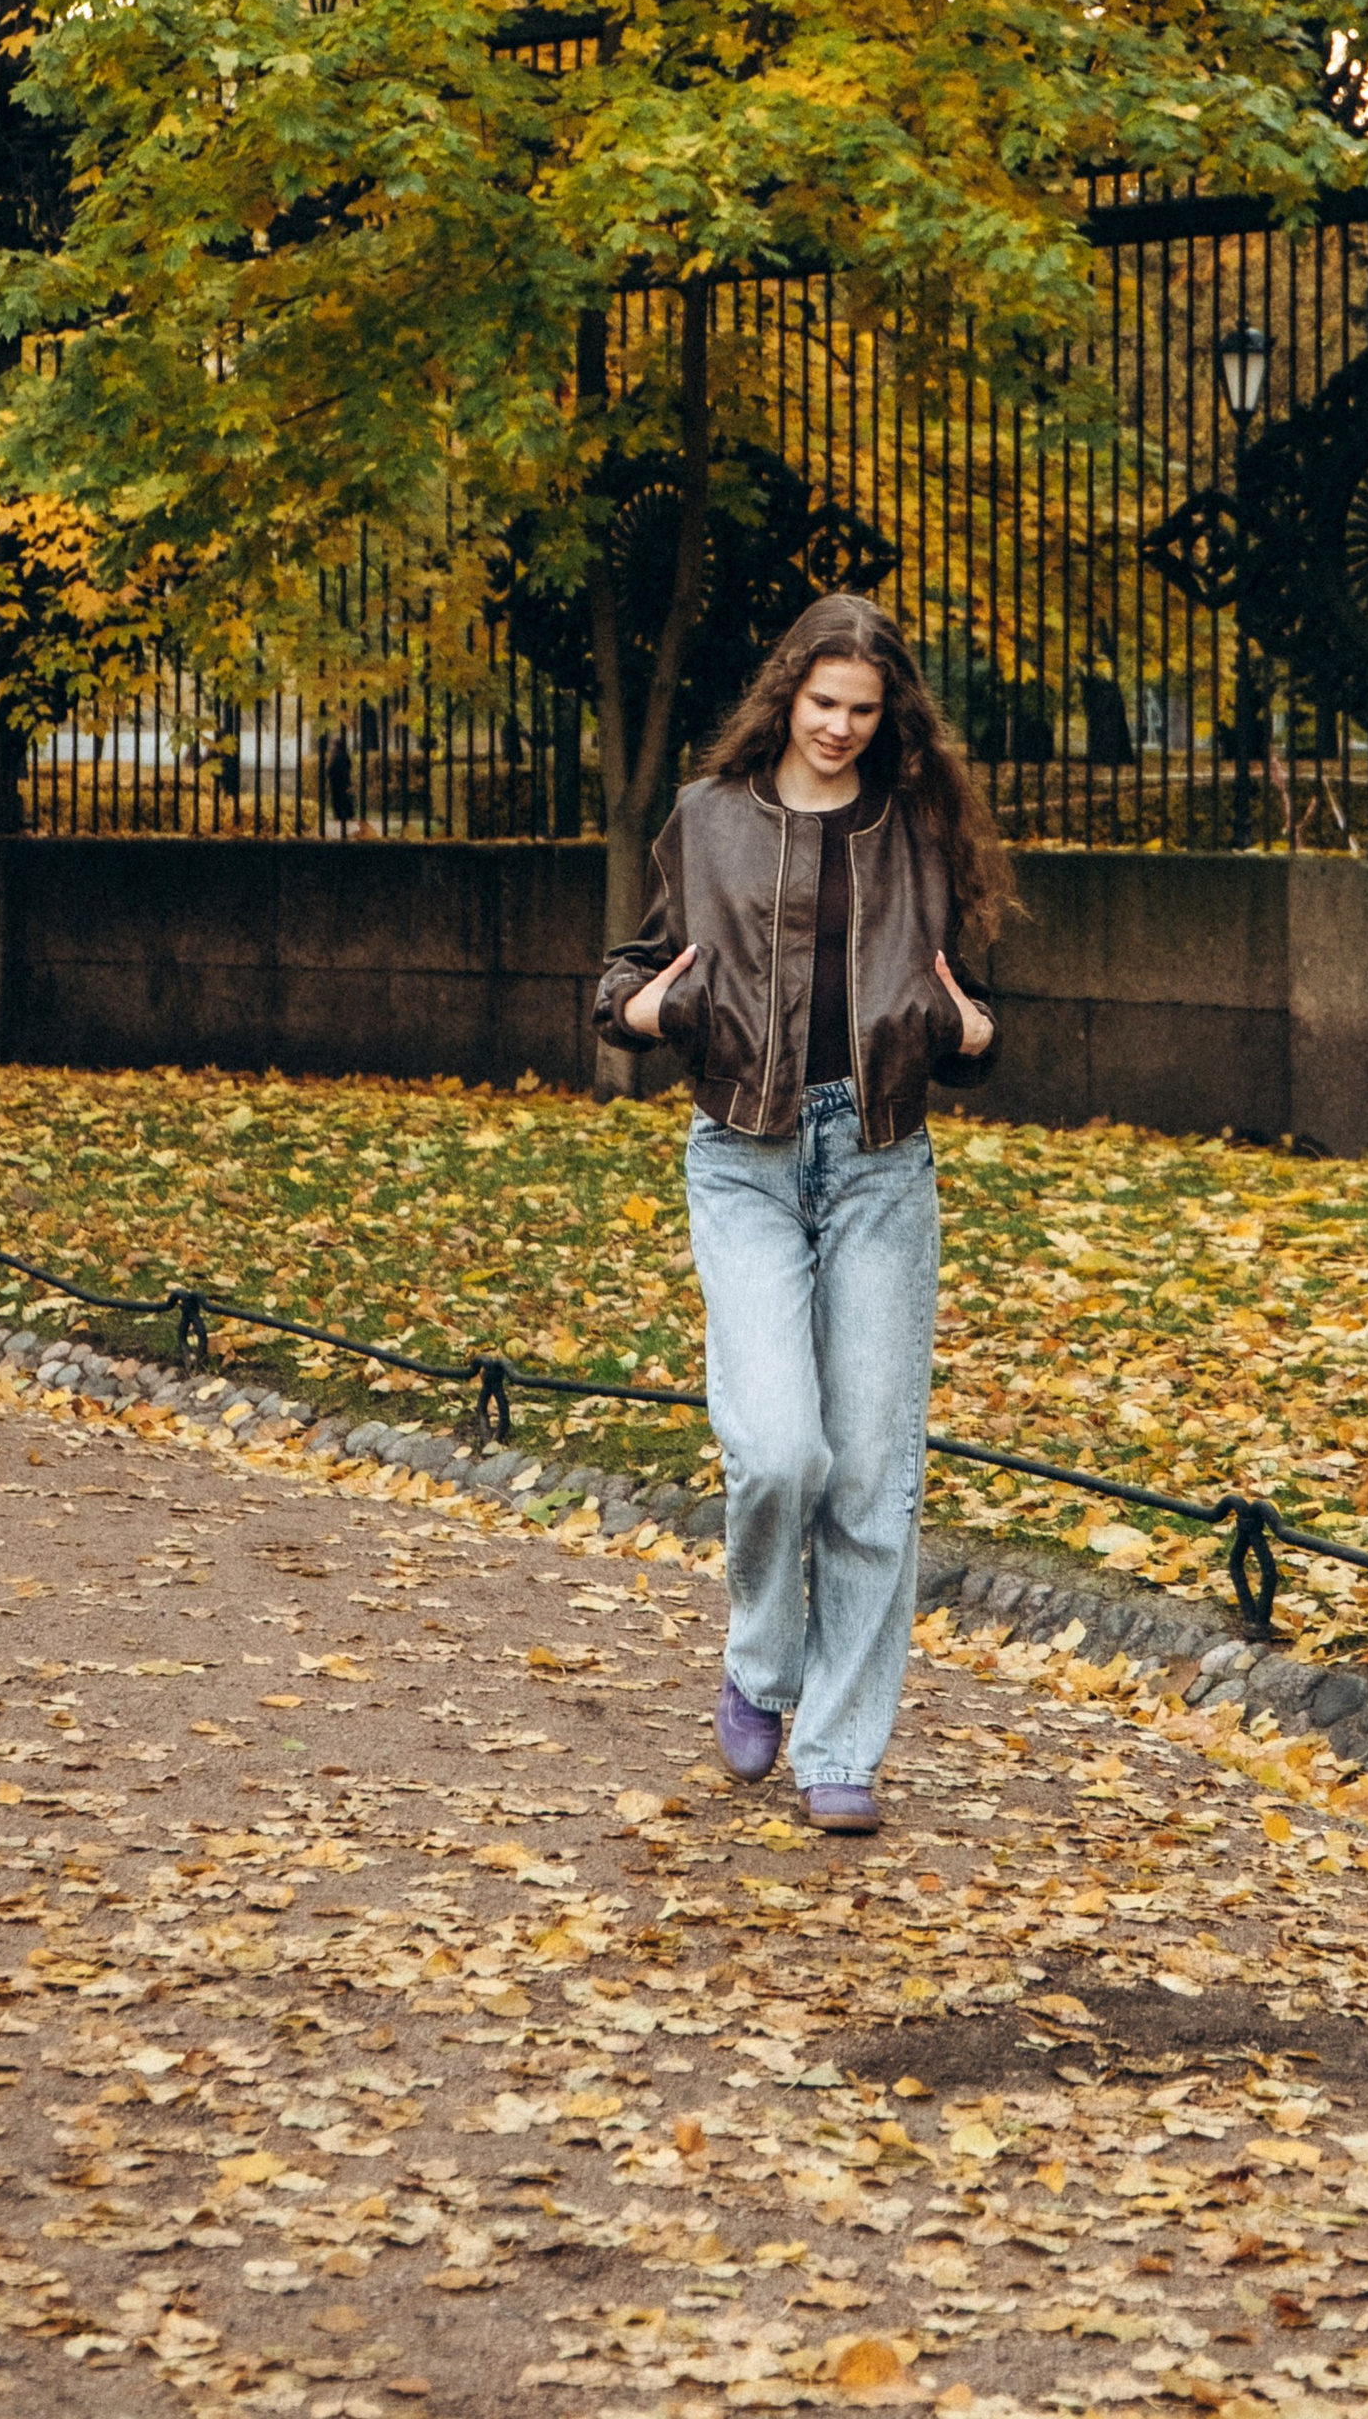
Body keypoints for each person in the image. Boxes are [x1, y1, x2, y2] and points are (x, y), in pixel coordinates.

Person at [594, 593, 1011, 1835]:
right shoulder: (707, 818)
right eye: (821, 702)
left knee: (872, 1473)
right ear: (788, 697)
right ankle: (761, 1663)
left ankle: (840, 1749)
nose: (837, 726)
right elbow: (632, 974)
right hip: (743, 1154)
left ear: (890, 719)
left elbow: (959, 1000)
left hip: (880, 1155)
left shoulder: (918, 827)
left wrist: (977, 1038)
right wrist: (646, 1014)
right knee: (781, 1448)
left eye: (862, 710)